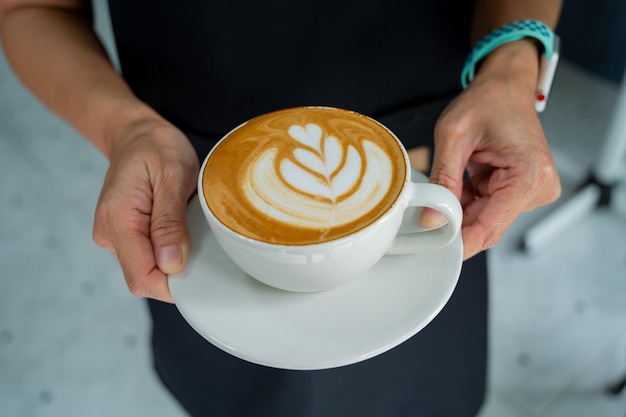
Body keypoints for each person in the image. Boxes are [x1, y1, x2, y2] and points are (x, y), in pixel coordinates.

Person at [0, 0, 562, 415]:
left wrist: (511, 71)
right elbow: (31, 9)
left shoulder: (435, 224)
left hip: (429, 181)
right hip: (199, 204)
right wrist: (127, 130)